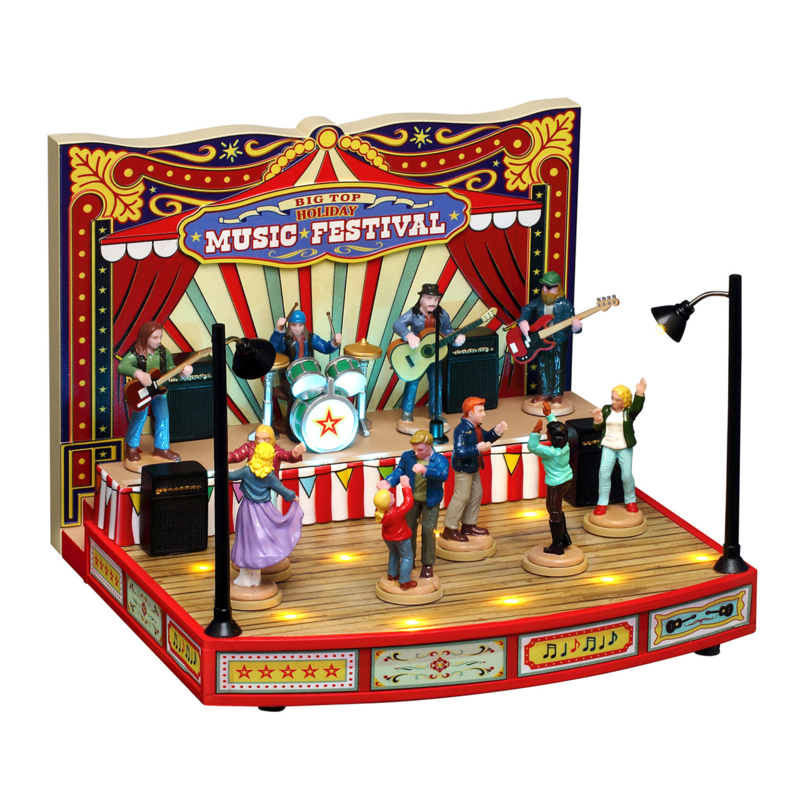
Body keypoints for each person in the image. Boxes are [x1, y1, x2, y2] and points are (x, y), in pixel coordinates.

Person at [229, 433, 304, 587]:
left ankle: (246, 575)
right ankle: (256, 577)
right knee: (260, 540)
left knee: (246, 539)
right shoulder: (269, 476)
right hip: (265, 510)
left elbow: (230, 475)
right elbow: (282, 489)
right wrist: (293, 496)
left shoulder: (247, 471)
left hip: (247, 509)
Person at [117, 321, 193, 463]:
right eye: (155, 337)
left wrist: (182, 373)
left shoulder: (164, 352)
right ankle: (131, 447)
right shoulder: (136, 354)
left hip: (160, 391)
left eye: (160, 337)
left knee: (163, 418)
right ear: (145, 337)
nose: (159, 340)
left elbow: (170, 369)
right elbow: (121, 366)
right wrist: (138, 373)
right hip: (143, 392)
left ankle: (162, 448)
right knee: (139, 418)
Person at [377, 429, 449, 578]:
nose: (416, 453)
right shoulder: (407, 457)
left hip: (431, 501)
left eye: (420, 450)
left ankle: (428, 564)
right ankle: (408, 559)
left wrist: (425, 470)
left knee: (429, 531)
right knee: (408, 530)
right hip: (411, 501)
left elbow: (443, 475)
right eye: (414, 449)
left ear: (429, 445)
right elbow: (400, 471)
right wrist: (388, 481)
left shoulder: (440, 460)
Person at [392, 283, 465, 424]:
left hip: (434, 355)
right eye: (429, 298)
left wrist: (456, 337)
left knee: (437, 383)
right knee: (412, 382)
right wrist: (408, 335)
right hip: (416, 355)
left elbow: (447, 331)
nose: (433, 302)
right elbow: (398, 324)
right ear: (421, 299)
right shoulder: (413, 313)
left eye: (436, 299)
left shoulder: (442, 314)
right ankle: (407, 412)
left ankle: (435, 413)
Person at [441, 396, 507, 542]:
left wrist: (496, 432)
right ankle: (449, 529)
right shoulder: (461, 430)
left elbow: (484, 438)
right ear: (470, 413)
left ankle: (469, 525)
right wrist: (477, 449)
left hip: (473, 466)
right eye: (480, 411)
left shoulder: (476, 428)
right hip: (463, 468)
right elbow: (460, 452)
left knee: (476, 494)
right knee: (461, 497)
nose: (484, 414)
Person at [269, 308, 341, 441]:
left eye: (300, 325)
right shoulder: (284, 339)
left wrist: (334, 343)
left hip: (308, 374)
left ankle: (316, 422)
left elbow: (325, 347)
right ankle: (293, 429)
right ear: (289, 325)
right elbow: (272, 349)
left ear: (304, 325)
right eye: (294, 325)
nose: (297, 328)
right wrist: (278, 331)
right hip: (289, 377)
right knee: (295, 393)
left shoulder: (311, 338)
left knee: (321, 389)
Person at [516, 271, 582, 404]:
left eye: (549, 287)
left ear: (558, 287)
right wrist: (523, 321)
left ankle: (556, 394)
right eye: (543, 286)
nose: (545, 290)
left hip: (559, 340)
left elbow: (571, 321)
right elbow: (526, 309)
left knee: (558, 366)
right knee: (542, 366)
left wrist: (576, 327)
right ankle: (544, 393)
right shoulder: (539, 302)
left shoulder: (565, 304)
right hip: (541, 340)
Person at [592, 377, 647, 515]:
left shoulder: (628, 412)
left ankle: (630, 500)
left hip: (624, 447)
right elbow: (599, 428)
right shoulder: (606, 409)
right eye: (612, 398)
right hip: (608, 446)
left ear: (624, 401)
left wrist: (639, 393)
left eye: (617, 400)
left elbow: (637, 408)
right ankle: (602, 502)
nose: (613, 402)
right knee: (604, 474)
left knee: (626, 476)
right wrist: (597, 420)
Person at [528, 401, 573, 554]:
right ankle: (564, 538)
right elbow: (559, 429)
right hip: (567, 479)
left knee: (553, 512)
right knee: (556, 509)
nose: (546, 434)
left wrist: (535, 433)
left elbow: (533, 447)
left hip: (556, 484)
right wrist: (549, 416)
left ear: (552, 437)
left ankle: (557, 545)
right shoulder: (565, 446)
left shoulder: (551, 452)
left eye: (547, 433)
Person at [374, 475, 417, 590]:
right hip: (401, 538)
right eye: (391, 496)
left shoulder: (380, 512)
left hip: (388, 538)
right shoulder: (396, 513)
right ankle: (405, 581)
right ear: (389, 503)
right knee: (407, 557)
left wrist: (382, 491)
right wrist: (406, 487)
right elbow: (408, 503)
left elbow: (380, 502)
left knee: (393, 554)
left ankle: (392, 574)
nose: (393, 495)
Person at [228, 425, 306, 471]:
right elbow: (237, 455)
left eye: (265, 439)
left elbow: (286, 456)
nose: (261, 442)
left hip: (270, 484)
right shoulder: (249, 448)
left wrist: (294, 453)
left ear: (271, 439)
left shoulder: (276, 451)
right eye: (258, 438)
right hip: (251, 483)